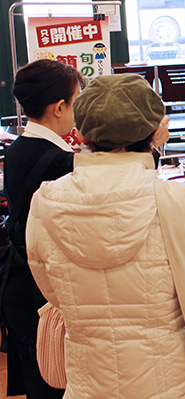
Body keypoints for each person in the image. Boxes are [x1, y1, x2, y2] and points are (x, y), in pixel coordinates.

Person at [25, 74, 185, 398]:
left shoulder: (45, 202)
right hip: (172, 384)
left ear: (83, 130)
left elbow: (52, 291)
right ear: (153, 133)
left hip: (88, 385)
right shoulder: (180, 200)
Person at [3, 58, 86, 398]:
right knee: (54, 383)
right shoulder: (58, 159)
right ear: (59, 107)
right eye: (77, 100)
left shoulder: (19, 149)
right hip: (42, 291)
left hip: (20, 283)